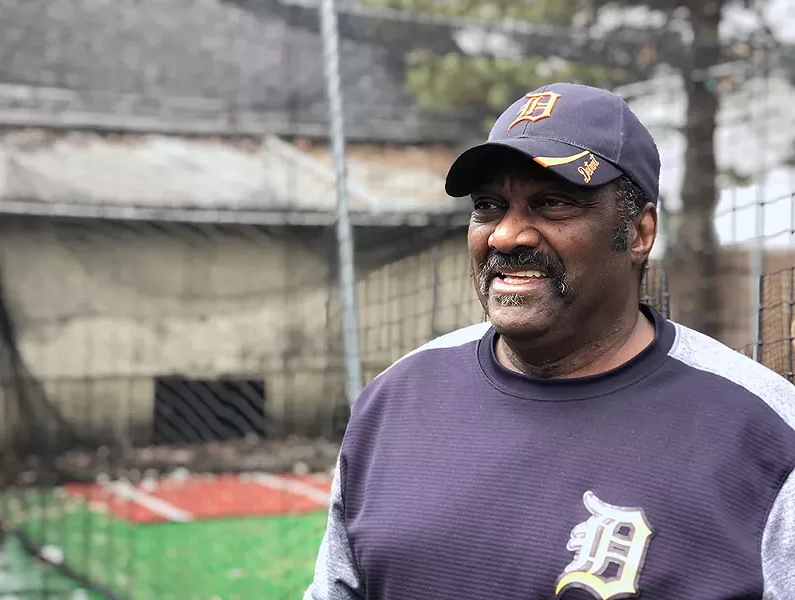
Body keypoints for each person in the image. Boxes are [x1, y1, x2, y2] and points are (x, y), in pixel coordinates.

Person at [303, 82, 795, 599]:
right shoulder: (395, 400)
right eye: (489, 206)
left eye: (553, 203)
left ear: (639, 233)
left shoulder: (766, 435)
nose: (506, 235)